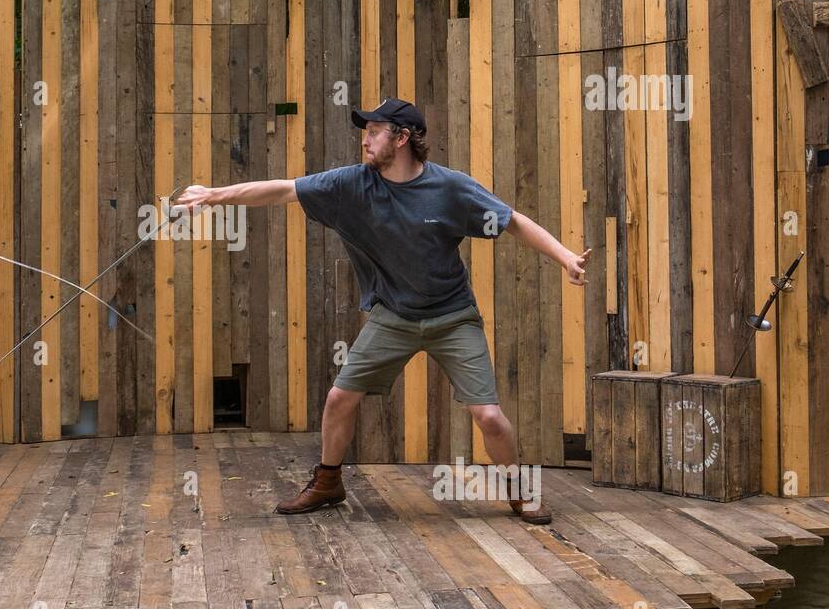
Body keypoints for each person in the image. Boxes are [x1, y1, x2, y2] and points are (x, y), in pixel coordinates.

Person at [173, 98, 591, 523]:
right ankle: (328, 482)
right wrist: (214, 195)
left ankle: (520, 491)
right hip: (393, 317)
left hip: (452, 317)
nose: (366, 140)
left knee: (489, 417)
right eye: (365, 131)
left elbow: (512, 219)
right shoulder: (351, 185)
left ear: (403, 138)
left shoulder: (450, 188)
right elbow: (284, 189)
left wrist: (565, 258)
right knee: (339, 398)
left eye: (375, 132)